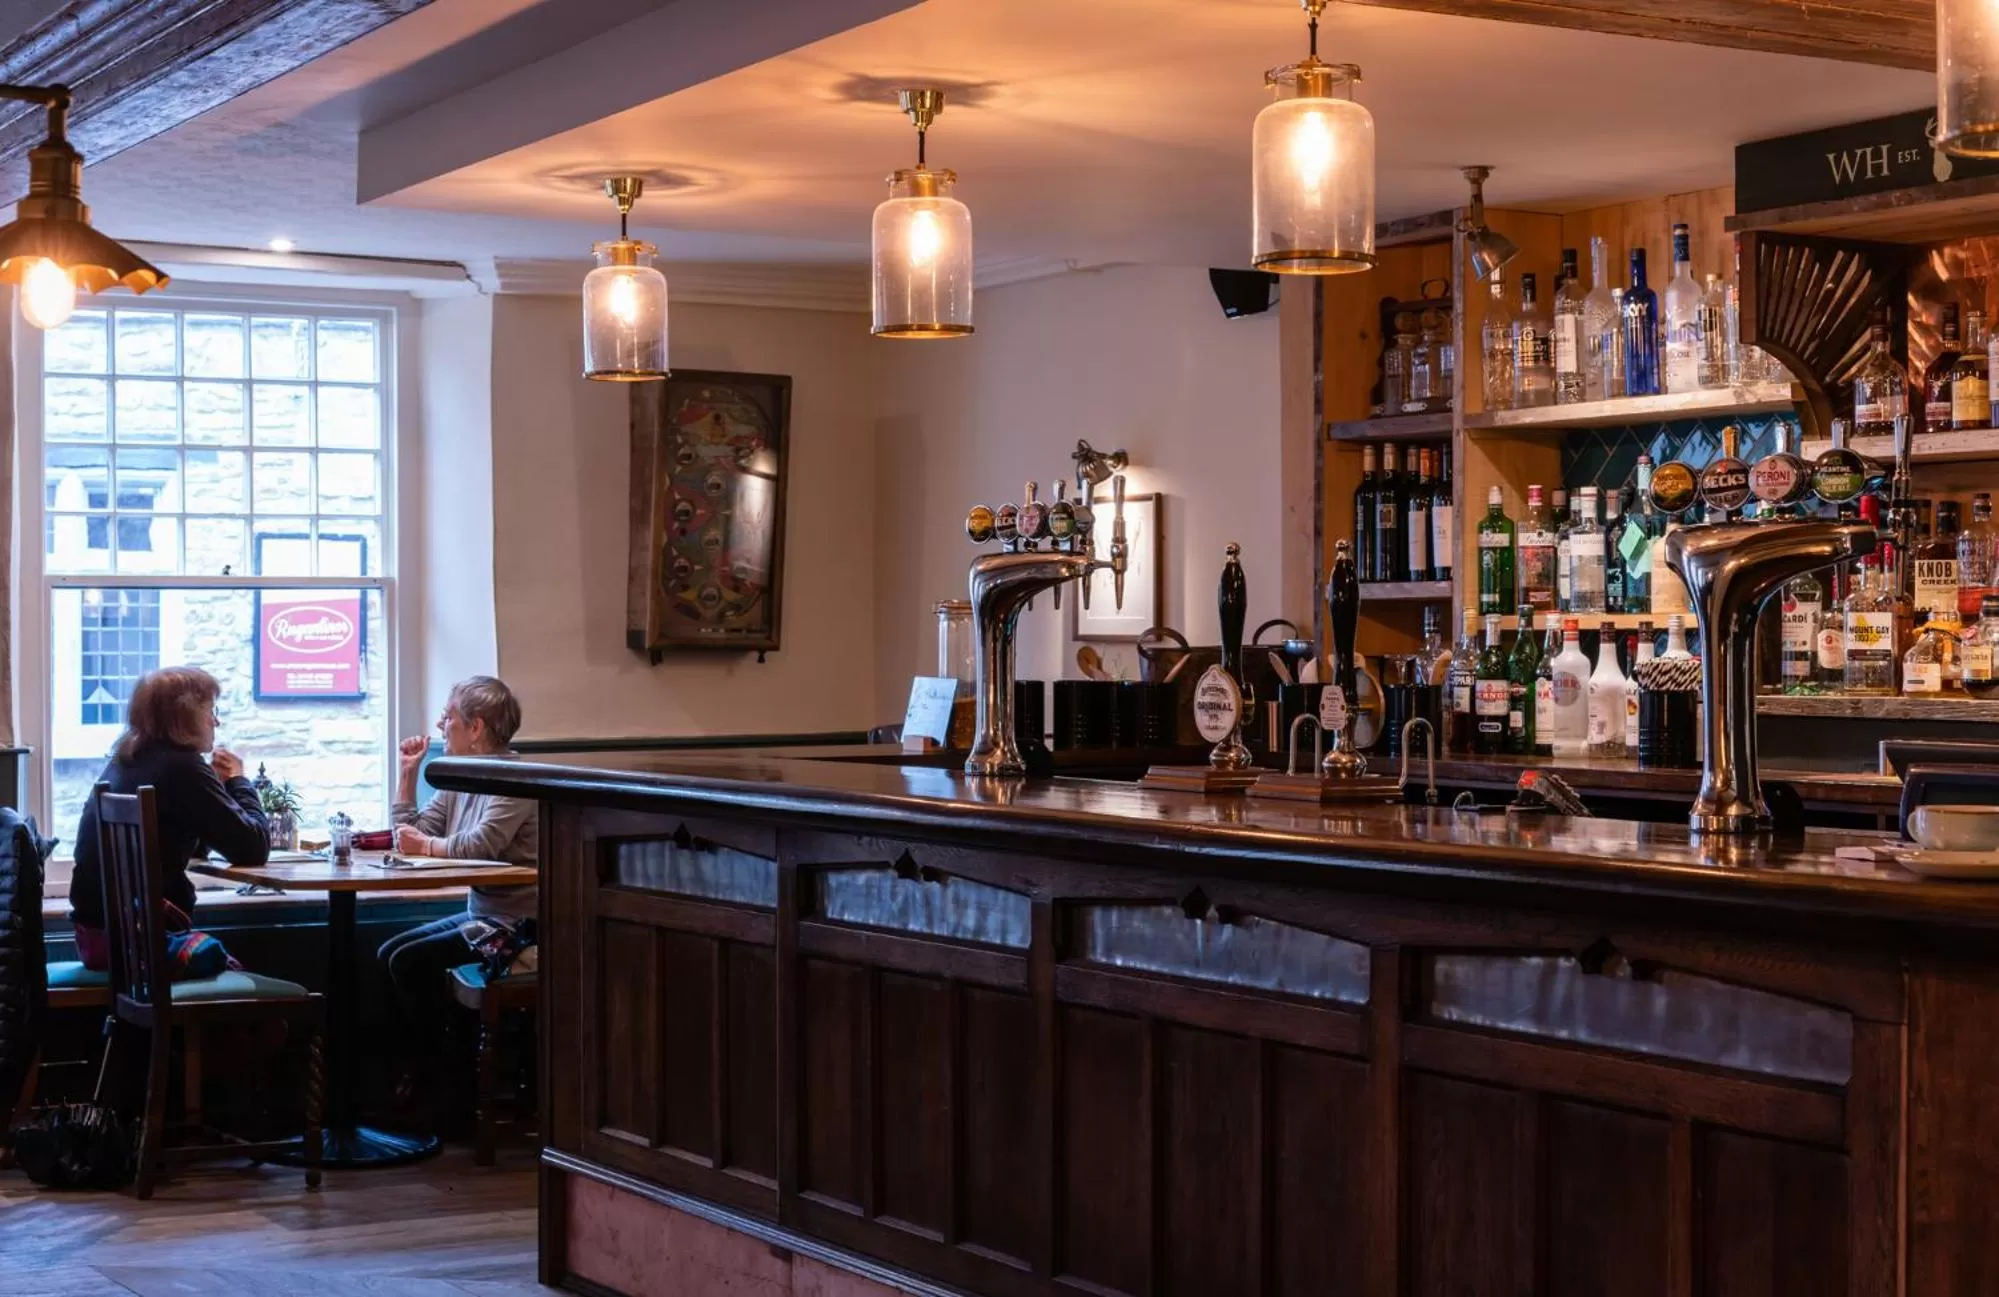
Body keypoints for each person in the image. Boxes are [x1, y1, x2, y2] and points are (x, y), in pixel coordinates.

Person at [69, 666, 269, 971]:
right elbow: (253, 848)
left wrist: (214, 794)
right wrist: (238, 781)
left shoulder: (126, 760)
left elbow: (193, 847)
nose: (216, 721)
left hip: (98, 939)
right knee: (246, 986)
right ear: (186, 715)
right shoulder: (184, 768)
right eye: (210, 711)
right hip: (144, 945)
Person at [376, 676, 537, 1052]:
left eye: (448, 717)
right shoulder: (462, 777)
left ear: (475, 727)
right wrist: (407, 774)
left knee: (409, 962)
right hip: (481, 914)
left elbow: (481, 845)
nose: (439, 726)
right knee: (389, 954)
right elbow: (411, 836)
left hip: (517, 925)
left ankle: (442, 1078)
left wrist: (427, 845)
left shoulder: (514, 781)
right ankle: (425, 1072)